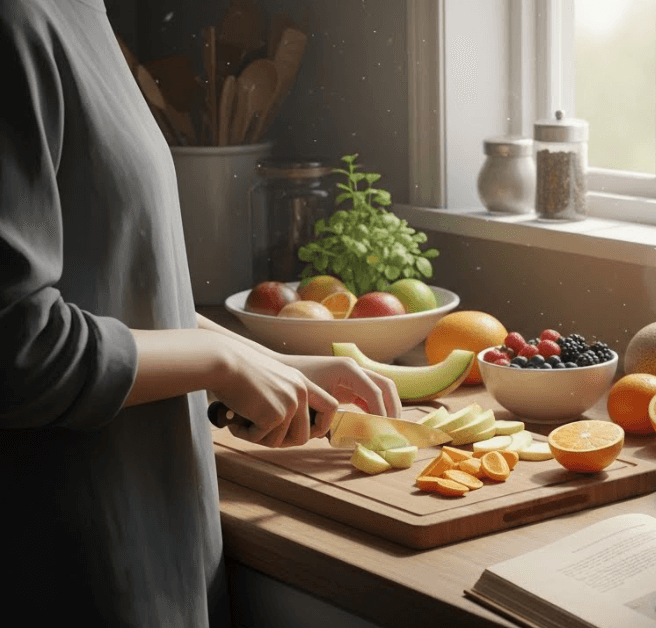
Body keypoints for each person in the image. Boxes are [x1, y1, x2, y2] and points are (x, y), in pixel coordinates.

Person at [0, 1, 401, 625]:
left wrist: (268, 361)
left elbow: (119, 291)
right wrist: (223, 357)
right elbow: (16, 350)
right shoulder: (14, 21)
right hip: (72, 561)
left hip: (159, 540)